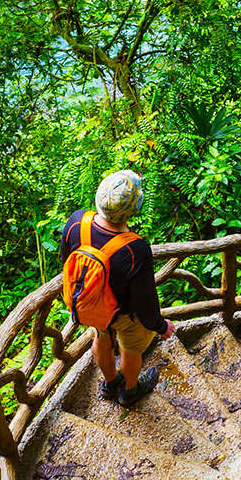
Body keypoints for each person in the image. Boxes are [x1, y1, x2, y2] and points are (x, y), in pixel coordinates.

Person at [59, 169, 174, 406]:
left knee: (101, 336)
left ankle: (110, 384)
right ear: (133, 209)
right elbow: (145, 300)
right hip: (123, 314)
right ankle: (130, 391)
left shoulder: (76, 222)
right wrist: (160, 325)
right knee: (131, 350)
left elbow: (66, 261)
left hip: (92, 306)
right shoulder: (135, 249)